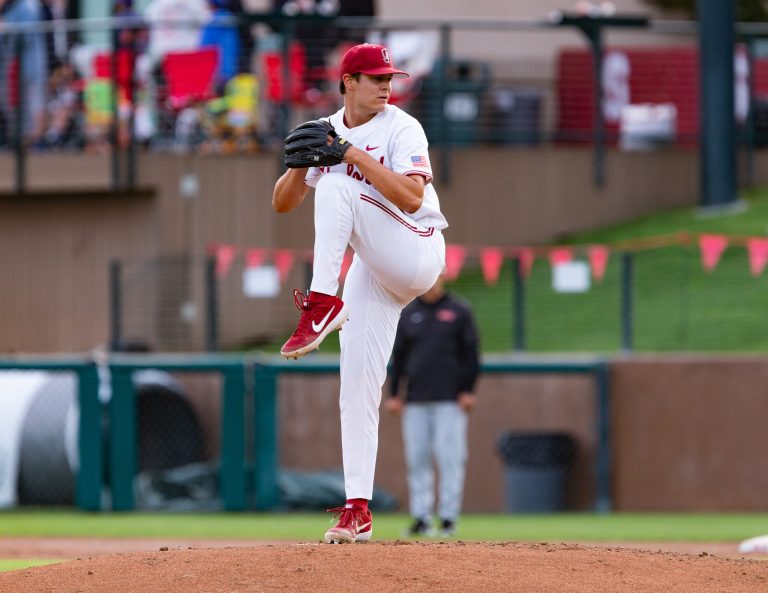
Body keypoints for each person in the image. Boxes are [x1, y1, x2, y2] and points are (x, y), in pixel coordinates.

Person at [271, 43, 447, 544]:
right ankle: (357, 508)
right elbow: (283, 204)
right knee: (357, 388)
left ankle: (322, 304)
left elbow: (413, 197)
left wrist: (347, 156)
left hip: (416, 250)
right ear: (347, 81)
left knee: (338, 187)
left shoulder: (401, 127)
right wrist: (294, 164)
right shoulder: (325, 128)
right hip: (372, 268)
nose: (386, 84)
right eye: (374, 77)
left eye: (389, 76)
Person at [386, 275, 480, 538]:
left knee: (450, 458)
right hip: (415, 399)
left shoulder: (459, 310)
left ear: (442, 275)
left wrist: (468, 390)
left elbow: (471, 353)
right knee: (417, 459)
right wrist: (395, 394)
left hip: (450, 400)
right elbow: (399, 356)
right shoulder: (409, 313)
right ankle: (420, 517)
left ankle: (448, 518)